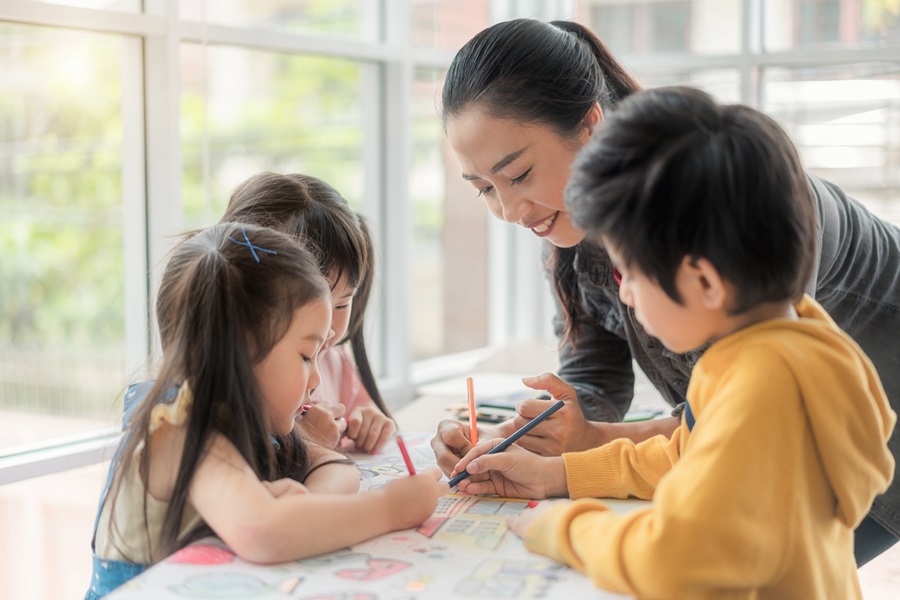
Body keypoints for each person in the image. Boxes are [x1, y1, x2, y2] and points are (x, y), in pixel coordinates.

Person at [431, 17, 900, 565]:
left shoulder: (735, 206)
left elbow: (706, 466)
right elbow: (680, 429)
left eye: (518, 175)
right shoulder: (573, 222)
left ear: (588, 124)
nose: (509, 213)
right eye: (484, 188)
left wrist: (569, 511)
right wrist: (548, 432)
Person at [85, 223, 447, 599]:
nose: (315, 379)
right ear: (241, 350)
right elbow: (264, 531)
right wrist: (390, 508)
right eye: (306, 356)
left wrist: (304, 506)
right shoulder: (179, 430)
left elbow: (334, 466)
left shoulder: (244, 415)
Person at [222, 172, 395, 454]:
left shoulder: (335, 362)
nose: (329, 330)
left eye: (342, 305)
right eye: (322, 305)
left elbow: (360, 412)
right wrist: (306, 442)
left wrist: (368, 422)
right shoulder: (236, 377)